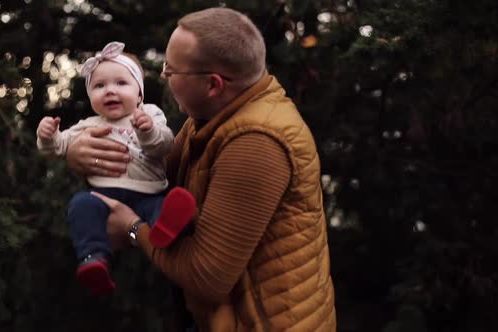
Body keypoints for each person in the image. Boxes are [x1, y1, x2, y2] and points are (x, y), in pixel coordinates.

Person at [69, 8, 336, 331]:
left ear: (213, 84)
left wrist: (133, 228)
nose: (164, 78)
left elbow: (207, 278)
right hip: (222, 318)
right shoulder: (212, 115)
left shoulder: (257, 145)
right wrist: (82, 154)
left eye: (172, 70)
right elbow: (150, 171)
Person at [36, 41, 195, 295]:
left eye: (121, 83)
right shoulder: (88, 124)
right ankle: (94, 258)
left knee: (162, 207)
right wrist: (48, 137)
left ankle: (167, 229)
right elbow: (58, 148)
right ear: (90, 97)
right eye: (100, 86)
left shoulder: (149, 115)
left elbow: (164, 146)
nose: (110, 91)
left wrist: (148, 131)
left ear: (140, 94)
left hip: (148, 193)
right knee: (81, 205)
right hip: (104, 196)